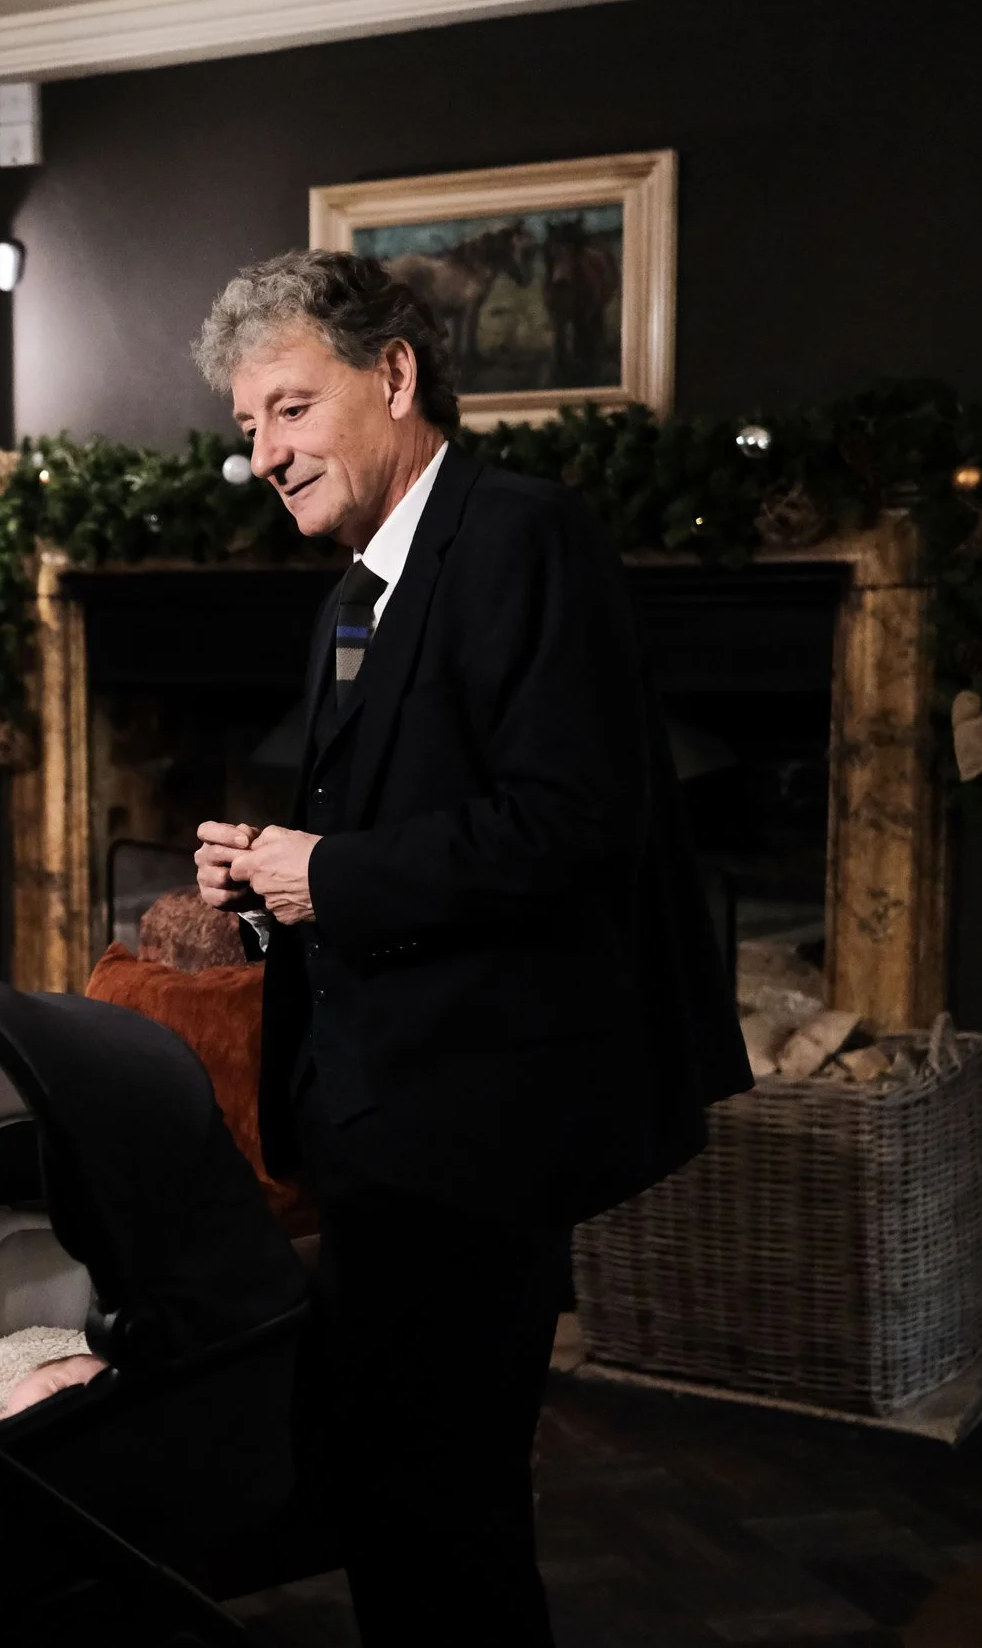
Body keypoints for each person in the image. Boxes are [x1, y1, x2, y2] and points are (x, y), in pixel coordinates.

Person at [188, 250, 748, 1646]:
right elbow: (393, 840)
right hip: (377, 1117)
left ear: (395, 376)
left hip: (479, 1122)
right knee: (392, 1485)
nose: (262, 452)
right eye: (248, 423)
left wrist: (331, 870)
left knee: (449, 1503)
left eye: (290, 409)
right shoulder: (352, 597)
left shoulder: (520, 534)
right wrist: (274, 880)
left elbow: (573, 825)